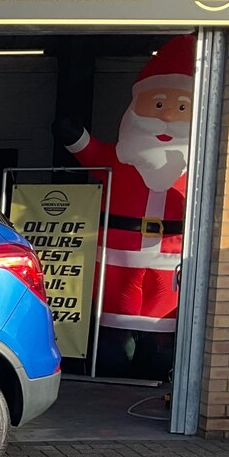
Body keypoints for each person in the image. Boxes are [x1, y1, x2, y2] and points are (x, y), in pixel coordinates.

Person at [54, 34, 194, 380]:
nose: (166, 118)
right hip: (116, 256)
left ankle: (156, 366)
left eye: (181, 107)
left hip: (171, 257)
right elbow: (90, 153)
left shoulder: (198, 164)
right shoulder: (119, 156)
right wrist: (73, 134)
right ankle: (111, 365)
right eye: (158, 105)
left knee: (162, 323)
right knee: (114, 321)